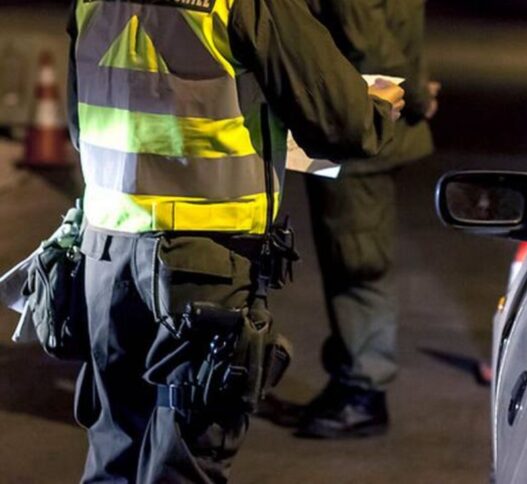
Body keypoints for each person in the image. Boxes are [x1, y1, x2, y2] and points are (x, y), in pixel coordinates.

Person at [65, 0, 404, 481]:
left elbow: (79, 126)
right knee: (184, 462)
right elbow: (342, 123)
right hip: (204, 265)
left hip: (105, 254)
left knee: (114, 450)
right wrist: (378, 108)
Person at [296, 0, 438, 439]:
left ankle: (363, 389)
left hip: (354, 126)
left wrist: (413, 97)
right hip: (351, 124)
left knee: (355, 255)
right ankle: (351, 376)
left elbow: (371, 47)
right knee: (346, 252)